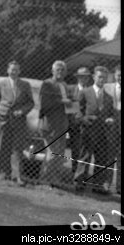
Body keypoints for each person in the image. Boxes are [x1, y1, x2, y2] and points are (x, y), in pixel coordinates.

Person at [0, 60, 34, 186]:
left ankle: (16, 176)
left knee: (17, 148)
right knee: (2, 146)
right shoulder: (1, 84)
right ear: (7, 70)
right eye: (11, 69)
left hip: (18, 120)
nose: (13, 72)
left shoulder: (25, 85)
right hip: (4, 119)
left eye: (16, 70)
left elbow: (31, 103)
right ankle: (3, 173)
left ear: (19, 71)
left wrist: (22, 111)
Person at [74, 66, 115, 194]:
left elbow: (111, 114)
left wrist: (110, 119)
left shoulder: (109, 97)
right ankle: (79, 183)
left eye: (104, 77)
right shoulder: (85, 92)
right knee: (85, 157)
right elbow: (77, 111)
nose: (102, 79)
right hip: (88, 131)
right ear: (94, 77)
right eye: (99, 77)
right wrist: (84, 119)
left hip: (102, 133)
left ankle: (97, 186)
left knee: (101, 159)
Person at [38, 60, 72, 188]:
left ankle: (54, 180)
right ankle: (44, 180)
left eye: (62, 70)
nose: (60, 72)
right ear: (52, 71)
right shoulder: (47, 84)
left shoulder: (64, 85)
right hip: (49, 125)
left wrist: (72, 106)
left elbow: (68, 105)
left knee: (59, 155)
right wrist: (63, 101)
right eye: (57, 70)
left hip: (62, 126)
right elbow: (45, 104)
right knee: (51, 154)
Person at [66, 66, 92, 177]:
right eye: (81, 77)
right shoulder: (70, 89)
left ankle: (80, 176)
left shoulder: (91, 90)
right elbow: (69, 106)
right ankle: (73, 173)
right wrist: (78, 118)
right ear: (77, 78)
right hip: (72, 125)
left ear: (88, 78)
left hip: (86, 127)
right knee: (74, 151)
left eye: (85, 77)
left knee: (84, 152)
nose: (83, 79)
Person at [103, 64, 121, 193]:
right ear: (115, 75)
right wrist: (107, 117)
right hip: (111, 126)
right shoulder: (107, 88)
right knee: (109, 156)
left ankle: (119, 187)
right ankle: (107, 184)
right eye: (119, 75)